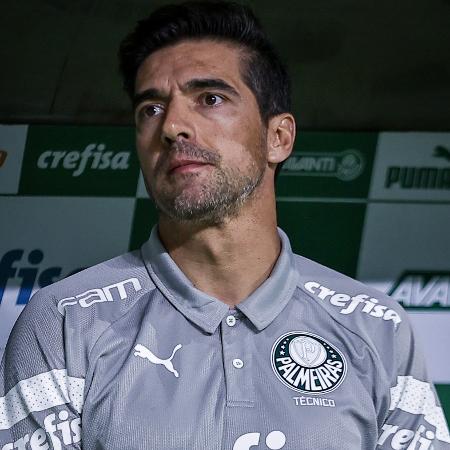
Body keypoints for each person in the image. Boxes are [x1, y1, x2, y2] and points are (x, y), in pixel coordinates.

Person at [1, 2, 449, 449]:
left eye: (210, 99)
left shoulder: (378, 328)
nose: (173, 125)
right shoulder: (63, 322)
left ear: (279, 137)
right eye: (151, 109)